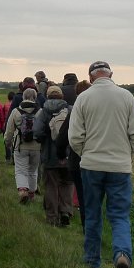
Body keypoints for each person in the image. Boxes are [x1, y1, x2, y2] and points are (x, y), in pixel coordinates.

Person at [67, 61, 134, 268]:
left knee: (92, 214)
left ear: (90, 78)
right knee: (119, 216)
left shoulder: (83, 98)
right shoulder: (126, 97)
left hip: (91, 166)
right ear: (111, 75)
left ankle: (92, 262)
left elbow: (75, 137)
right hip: (120, 167)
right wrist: (127, 154)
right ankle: (122, 256)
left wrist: (86, 154)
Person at [34, 85, 74, 227]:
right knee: (67, 184)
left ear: (48, 96)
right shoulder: (70, 110)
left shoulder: (43, 112)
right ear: (61, 96)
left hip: (49, 155)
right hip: (68, 155)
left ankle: (52, 216)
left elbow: (37, 132)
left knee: (51, 185)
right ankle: (66, 211)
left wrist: (45, 139)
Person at [55, 79, 90, 226]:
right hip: (103, 160)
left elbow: (63, 136)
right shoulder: (103, 110)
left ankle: (88, 230)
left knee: (83, 198)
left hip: (78, 159)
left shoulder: (76, 110)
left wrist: (62, 154)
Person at [4, 87, 41, 203]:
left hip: (20, 145)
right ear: (35, 98)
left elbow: (9, 130)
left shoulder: (16, 111)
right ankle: (31, 194)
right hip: (37, 146)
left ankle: (23, 190)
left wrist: (7, 142)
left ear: (23, 97)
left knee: (20, 170)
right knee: (33, 171)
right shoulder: (40, 111)